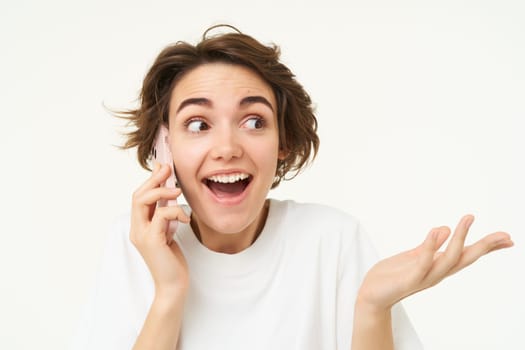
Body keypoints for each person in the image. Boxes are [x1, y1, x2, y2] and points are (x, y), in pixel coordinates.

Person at [72, 25, 514, 350]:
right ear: (164, 147)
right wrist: (169, 294)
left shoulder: (333, 239)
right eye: (198, 123)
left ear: (282, 142)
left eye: (253, 121)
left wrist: (372, 308)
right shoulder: (136, 247)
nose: (226, 147)